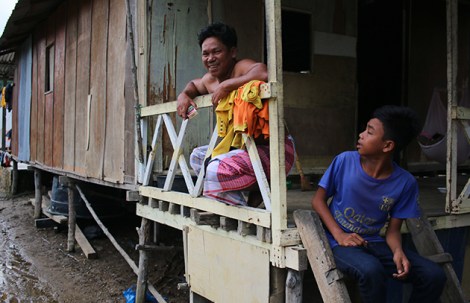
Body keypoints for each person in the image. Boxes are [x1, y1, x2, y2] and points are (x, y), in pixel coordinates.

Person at [312, 105, 446, 302]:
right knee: (371, 271)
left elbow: (392, 231)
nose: (361, 134)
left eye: (369, 131)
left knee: (433, 275)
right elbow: (318, 200)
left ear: (387, 146)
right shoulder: (344, 161)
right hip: (337, 242)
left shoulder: (405, 182)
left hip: (374, 242)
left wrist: (398, 251)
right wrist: (339, 235)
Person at [176, 22, 295, 206]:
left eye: (216, 52)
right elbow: (194, 85)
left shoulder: (240, 67)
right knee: (198, 158)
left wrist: (227, 85)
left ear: (232, 52)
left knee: (215, 168)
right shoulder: (210, 80)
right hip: (243, 154)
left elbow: (263, 72)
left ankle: (243, 209)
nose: (210, 58)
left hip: (273, 153)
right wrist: (184, 95)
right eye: (205, 54)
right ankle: (241, 206)